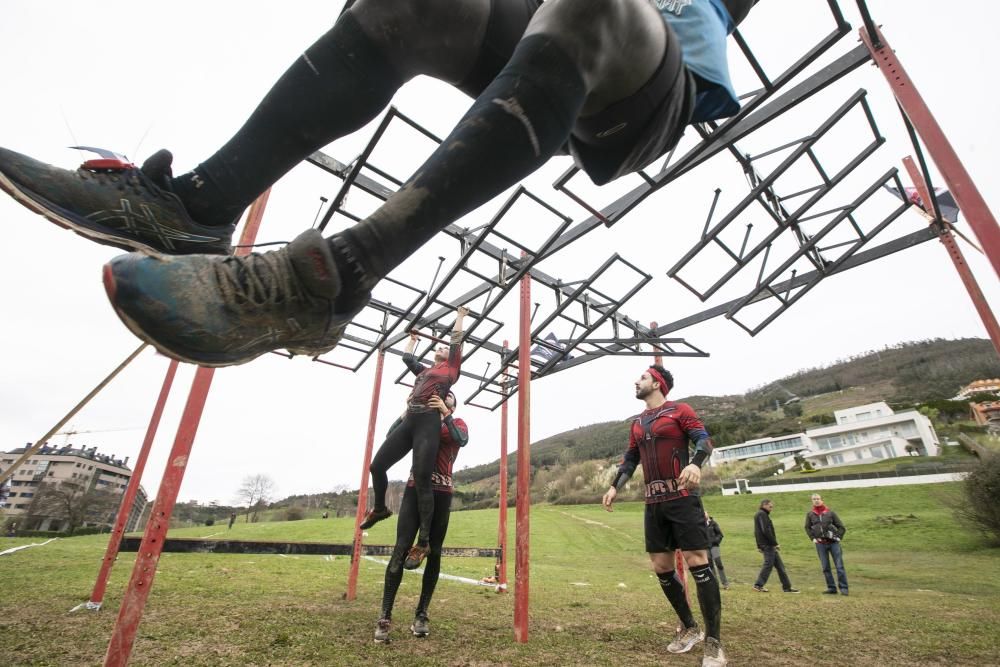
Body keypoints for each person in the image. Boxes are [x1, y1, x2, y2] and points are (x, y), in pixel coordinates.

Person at [0, 0, 755, 367]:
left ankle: (332, 279)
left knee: (603, 4)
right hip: (546, 39)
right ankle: (194, 205)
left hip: (657, 81)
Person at [603, 365, 726, 667]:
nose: (636, 380)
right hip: (653, 501)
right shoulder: (637, 423)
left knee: (697, 560)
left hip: (683, 497)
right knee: (660, 565)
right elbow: (630, 459)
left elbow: (704, 441)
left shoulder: (679, 410)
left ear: (657, 383)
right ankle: (690, 628)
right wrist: (614, 486)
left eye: (642, 377)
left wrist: (696, 464)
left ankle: (714, 643)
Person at [360, 309, 466, 570]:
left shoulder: (451, 369)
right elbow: (407, 357)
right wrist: (413, 337)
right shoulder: (424, 371)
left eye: (442, 348)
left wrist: (460, 315)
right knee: (377, 466)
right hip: (411, 419)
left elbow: (455, 340)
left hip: (429, 422)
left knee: (422, 480)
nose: (440, 348)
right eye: (438, 347)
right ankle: (381, 508)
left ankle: (424, 542)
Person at [375, 392, 469, 643]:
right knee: (400, 548)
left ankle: (422, 614)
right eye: (439, 395)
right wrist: (408, 410)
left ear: (453, 405)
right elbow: (391, 436)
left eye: (448, 396)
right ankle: (384, 616)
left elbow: (462, 439)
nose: (442, 396)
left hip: (442, 494)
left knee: (434, 552)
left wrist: (445, 414)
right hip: (414, 491)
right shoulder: (418, 422)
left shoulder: (457, 422)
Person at [804, 493, 848, 596]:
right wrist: (813, 538)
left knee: (839, 566)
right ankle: (831, 588)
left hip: (834, 544)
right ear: (812, 501)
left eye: (818, 499)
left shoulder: (830, 513)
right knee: (825, 567)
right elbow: (807, 527)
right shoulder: (810, 514)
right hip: (820, 544)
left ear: (822, 500)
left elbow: (841, 527)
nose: (816, 500)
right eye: (814, 499)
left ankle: (844, 588)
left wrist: (837, 537)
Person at [752, 499, 798, 594]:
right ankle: (758, 585)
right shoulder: (761, 514)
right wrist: (774, 543)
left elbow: (757, 532)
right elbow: (765, 531)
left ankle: (787, 587)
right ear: (764, 505)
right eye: (770, 506)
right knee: (768, 565)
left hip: (767, 545)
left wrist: (759, 545)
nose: (771, 509)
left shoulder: (761, 514)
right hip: (768, 545)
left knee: (780, 567)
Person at [705, 511, 730, 590]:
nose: (703, 515)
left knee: (718, 563)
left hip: (714, 546)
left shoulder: (713, 523)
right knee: (710, 565)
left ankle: (725, 583)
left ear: (707, 514)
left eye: (705, 513)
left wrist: (715, 541)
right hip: (706, 547)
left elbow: (720, 534)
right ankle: (715, 583)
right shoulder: (701, 525)